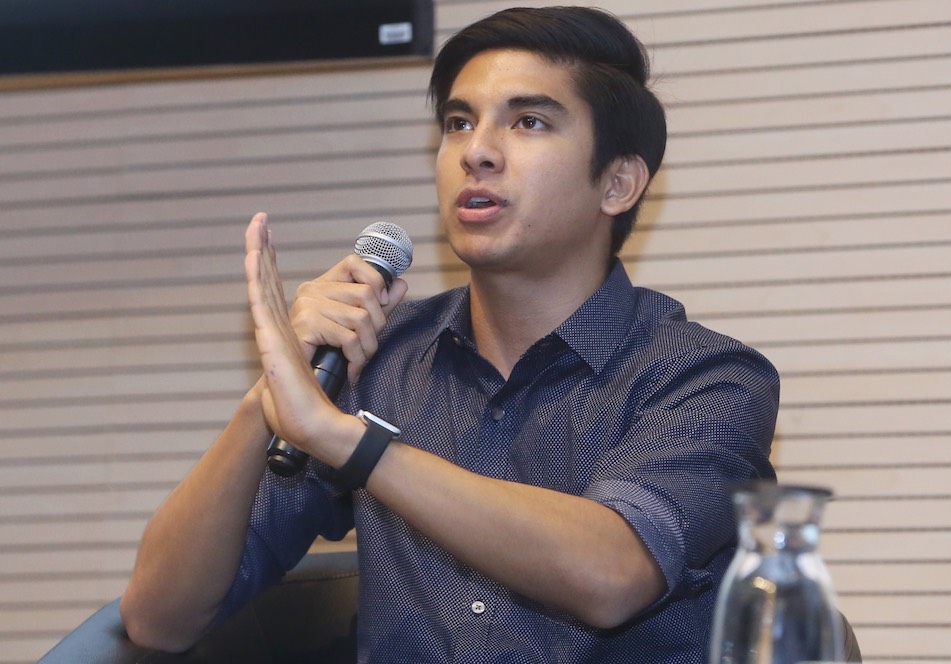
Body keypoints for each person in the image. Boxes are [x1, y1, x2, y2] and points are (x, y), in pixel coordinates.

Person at [120, 6, 779, 662]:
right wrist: (271, 393)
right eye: (458, 122)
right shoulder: (377, 360)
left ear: (618, 183)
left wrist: (348, 441)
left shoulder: (708, 378)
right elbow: (160, 618)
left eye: (529, 122)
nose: (476, 152)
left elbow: (612, 573)